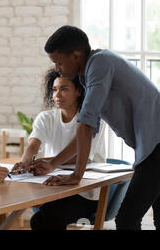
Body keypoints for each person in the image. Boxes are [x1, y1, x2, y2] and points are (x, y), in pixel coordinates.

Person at [30, 25, 160, 230]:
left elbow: (85, 125)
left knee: (127, 219)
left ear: (76, 56)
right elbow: (88, 131)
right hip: (152, 146)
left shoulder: (100, 63)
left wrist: (76, 175)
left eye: (58, 62)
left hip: (156, 147)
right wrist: (54, 163)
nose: (57, 69)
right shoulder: (88, 76)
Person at [11, 68, 106, 229]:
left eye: (64, 89)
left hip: (85, 193)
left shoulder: (92, 119)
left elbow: (82, 156)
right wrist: (25, 162)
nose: (57, 95)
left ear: (79, 91)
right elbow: (34, 143)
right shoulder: (46, 118)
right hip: (53, 188)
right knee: (44, 217)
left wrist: (50, 162)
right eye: (54, 89)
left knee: (45, 218)